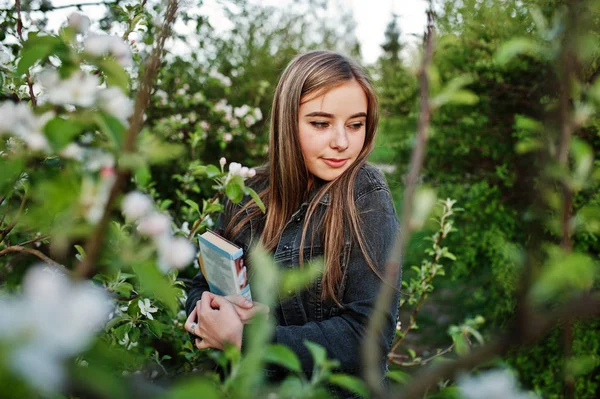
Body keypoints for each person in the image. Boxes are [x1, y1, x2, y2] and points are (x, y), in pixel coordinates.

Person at [184, 50, 401, 396]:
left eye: (355, 124)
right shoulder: (248, 192)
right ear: (288, 121)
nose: (342, 142)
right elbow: (201, 283)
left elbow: (369, 335)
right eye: (320, 123)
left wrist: (248, 338)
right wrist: (209, 314)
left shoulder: (364, 191)